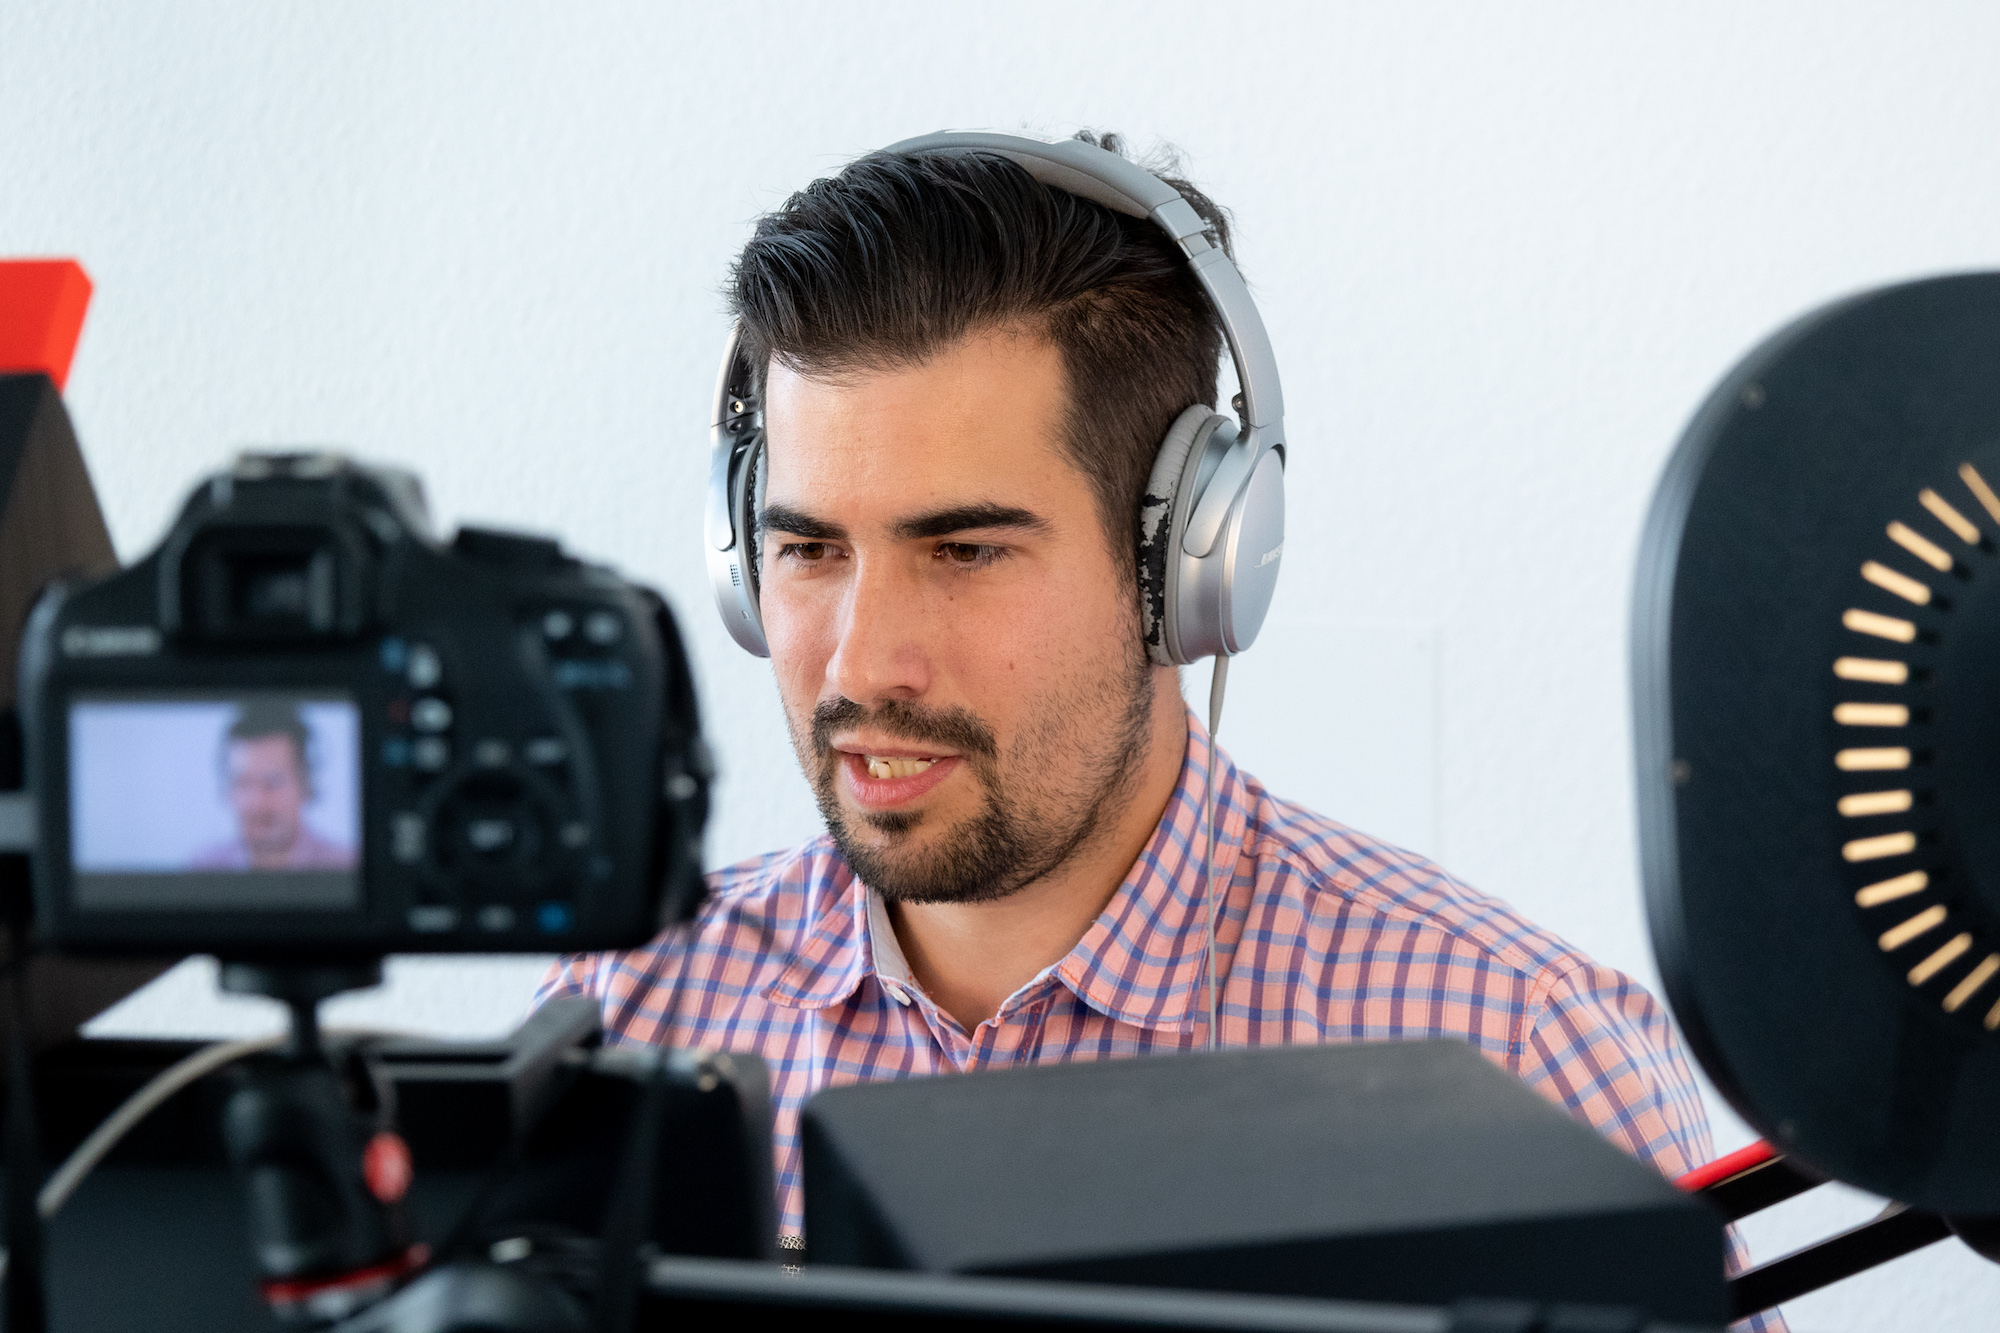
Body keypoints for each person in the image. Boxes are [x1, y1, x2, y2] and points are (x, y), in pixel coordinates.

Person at [538, 133, 1719, 1243]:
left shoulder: (1518, 1057)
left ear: (1184, 567)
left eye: (964, 551)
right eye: (808, 550)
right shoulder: (626, 1007)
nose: (858, 664)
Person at [190, 702, 355, 871]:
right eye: (244, 783)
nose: (257, 802)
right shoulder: (203, 866)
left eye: (273, 782)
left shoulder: (347, 864)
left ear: (306, 785)